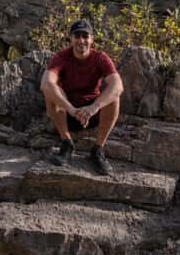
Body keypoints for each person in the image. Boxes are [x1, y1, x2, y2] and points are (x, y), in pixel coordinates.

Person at [40, 19, 123, 176]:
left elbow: (118, 85)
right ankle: (67, 143)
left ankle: (98, 149)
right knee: (51, 92)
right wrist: (71, 109)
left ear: (92, 39)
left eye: (85, 36)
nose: (81, 40)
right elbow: (45, 84)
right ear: (70, 39)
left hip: (92, 114)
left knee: (114, 97)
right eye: (77, 36)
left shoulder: (100, 57)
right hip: (67, 114)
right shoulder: (61, 57)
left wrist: (93, 108)